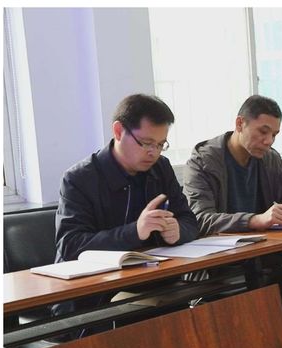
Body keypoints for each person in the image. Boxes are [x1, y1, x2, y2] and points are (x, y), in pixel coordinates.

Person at [55, 93, 198, 263]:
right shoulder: (79, 179)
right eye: (146, 143)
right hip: (98, 277)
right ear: (118, 131)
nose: (153, 152)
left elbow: (189, 220)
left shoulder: (161, 167)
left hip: (153, 271)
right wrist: (135, 232)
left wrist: (178, 231)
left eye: (160, 144)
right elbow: (70, 245)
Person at [183, 95, 282, 236]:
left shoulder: (270, 157)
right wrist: (255, 220)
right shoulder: (202, 162)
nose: (269, 141)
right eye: (263, 131)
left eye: (274, 135)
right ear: (240, 124)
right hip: (223, 250)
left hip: (265, 245)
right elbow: (200, 219)